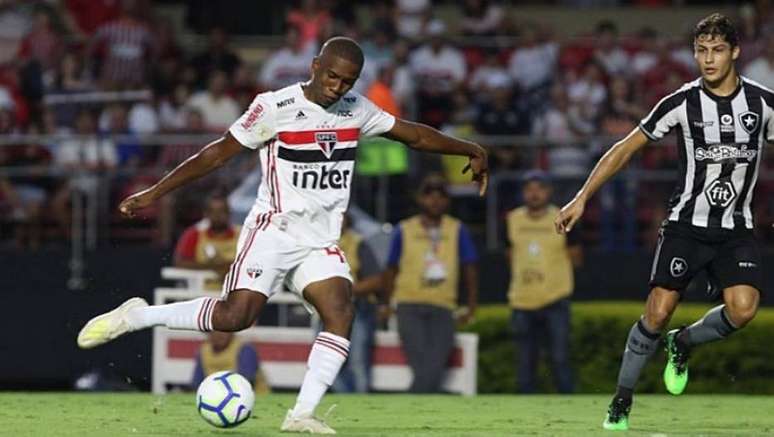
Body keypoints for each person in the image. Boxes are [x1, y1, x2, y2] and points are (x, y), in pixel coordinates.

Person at [77, 36, 488, 434]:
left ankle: (302, 414)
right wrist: (155, 192)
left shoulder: (355, 110)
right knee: (235, 317)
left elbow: (414, 135)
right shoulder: (274, 107)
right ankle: (136, 316)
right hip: (273, 232)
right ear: (315, 67)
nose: (337, 87)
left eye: (347, 81)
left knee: (341, 312)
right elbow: (217, 152)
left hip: (320, 242)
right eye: (331, 77)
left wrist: (468, 147)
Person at [554, 14, 773, 431]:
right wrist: (582, 197)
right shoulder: (680, 103)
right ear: (694, 53)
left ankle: (684, 342)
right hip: (685, 225)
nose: (709, 60)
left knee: (744, 310)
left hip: (736, 229)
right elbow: (624, 149)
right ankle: (622, 399)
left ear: (736, 52)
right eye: (702, 51)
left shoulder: (763, 104)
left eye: (718, 50)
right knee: (656, 312)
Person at [383, 175, 479, 393]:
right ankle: (424, 412)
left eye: (440, 196)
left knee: (433, 366)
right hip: (409, 303)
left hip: (443, 305)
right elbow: (391, 269)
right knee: (423, 366)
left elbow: (470, 268)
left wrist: (471, 306)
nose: (434, 201)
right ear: (420, 199)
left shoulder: (457, 229)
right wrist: (386, 303)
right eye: (429, 196)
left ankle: (410, 409)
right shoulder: (404, 229)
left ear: (447, 201)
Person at [507, 171, 582, 394]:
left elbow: (576, 257)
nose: (534, 194)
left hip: (555, 299)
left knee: (560, 359)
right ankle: (524, 419)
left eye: (540, 188)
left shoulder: (564, 216)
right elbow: (509, 254)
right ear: (523, 193)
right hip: (522, 301)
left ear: (549, 192)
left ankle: (568, 409)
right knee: (524, 365)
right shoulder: (512, 219)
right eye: (529, 189)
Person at [331, 215, 383, 393]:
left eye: (340, 216)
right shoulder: (317, 243)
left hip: (356, 308)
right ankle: (345, 402)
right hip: (325, 311)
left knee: (358, 362)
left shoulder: (358, 243)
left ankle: (361, 403)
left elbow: (376, 280)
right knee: (329, 362)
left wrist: (345, 291)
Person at [174, 193, 241, 291]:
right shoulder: (194, 234)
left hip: (234, 293)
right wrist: (217, 267)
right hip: (199, 294)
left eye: (221, 211)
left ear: (229, 213)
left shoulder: (242, 234)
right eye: (213, 211)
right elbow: (180, 263)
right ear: (206, 213)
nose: (217, 216)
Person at [191, 331, 270, 395]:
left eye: (224, 331)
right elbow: (197, 382)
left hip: (253, 396)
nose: (219, 335)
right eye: (215, 331)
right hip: (216, 397)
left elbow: (246, 380)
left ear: (232, 332)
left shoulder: (244, 348)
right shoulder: (204, 350)